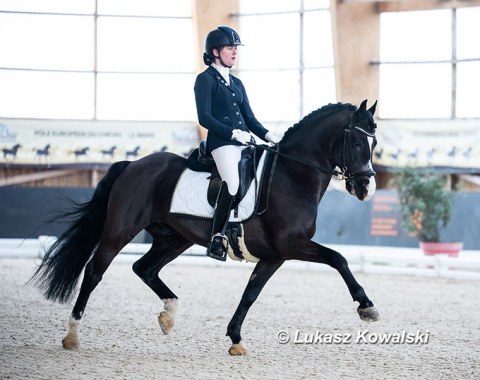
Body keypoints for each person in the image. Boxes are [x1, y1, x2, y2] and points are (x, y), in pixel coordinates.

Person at [194, 26, 279, 261]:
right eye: (230, 48)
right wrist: (233, 134)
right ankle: (217, 237)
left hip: (244, 142)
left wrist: (270, 136)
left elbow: (250, 119)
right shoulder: (205, 79)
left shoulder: (237, 83)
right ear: (215, 51)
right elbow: (205, 118)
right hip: (222, 143)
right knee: (232, 183)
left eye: (236, 49)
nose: (234, 52)